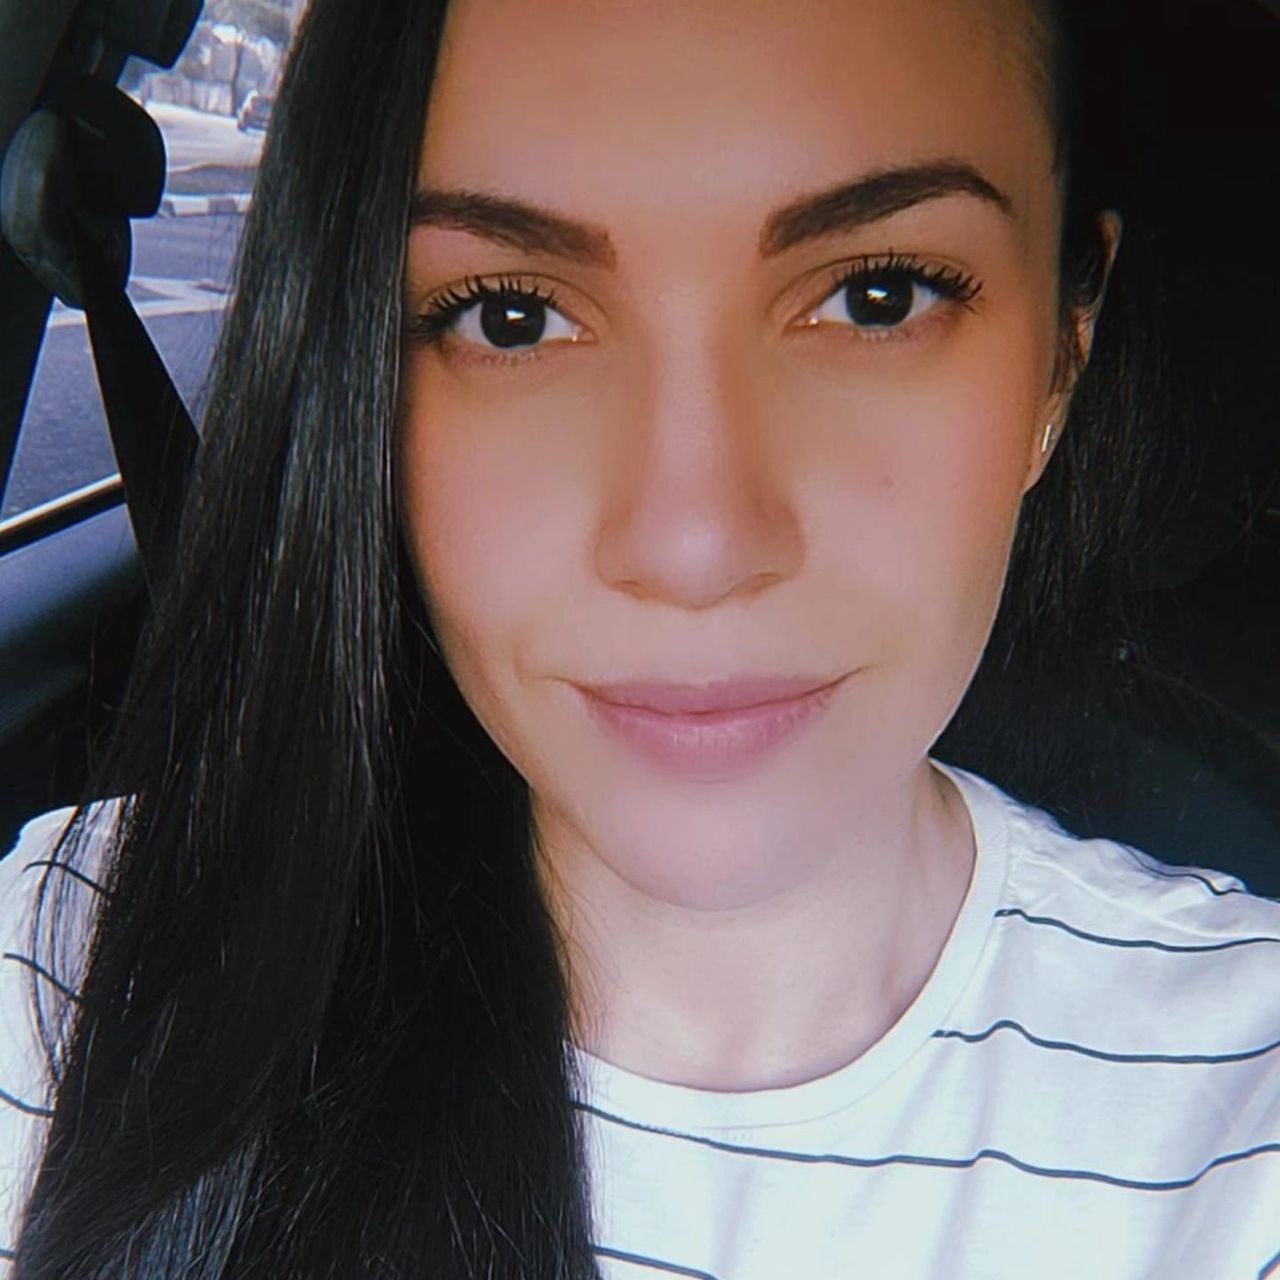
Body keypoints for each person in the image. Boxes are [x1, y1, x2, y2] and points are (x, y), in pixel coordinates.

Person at [2, 0, 1278, 1275]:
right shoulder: (78, 976)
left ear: (1061, 353)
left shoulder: (1241, 1116)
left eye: (875, 297)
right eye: (511, 317)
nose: (692, 544)